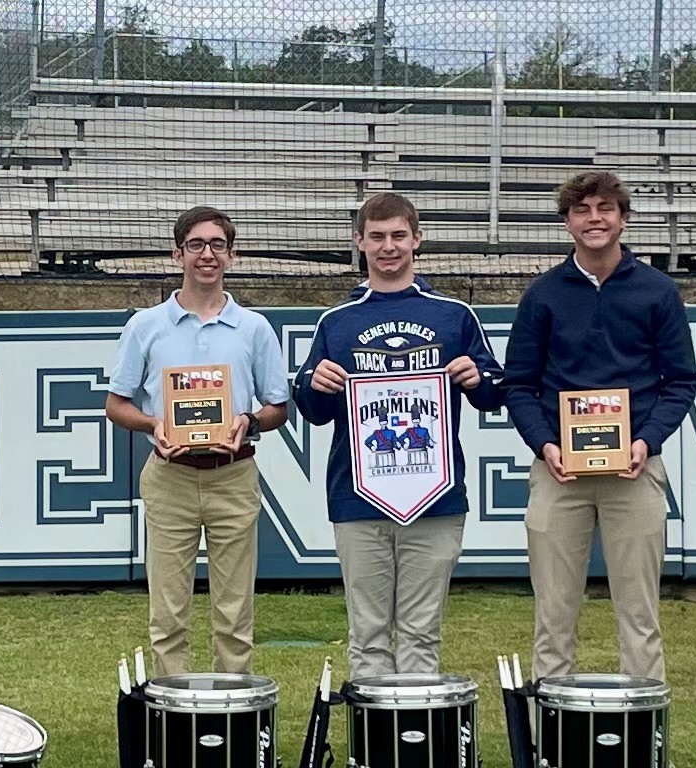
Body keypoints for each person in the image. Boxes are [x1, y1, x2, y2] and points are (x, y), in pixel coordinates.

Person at [503, 168, 696, 687]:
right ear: (567, 222)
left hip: (634, 471)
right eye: (582, 210)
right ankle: (551, 753)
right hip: (558, 473)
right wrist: (545, 444)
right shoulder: (542, 295)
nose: (595, 219)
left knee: (640, 616)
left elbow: (680, 380)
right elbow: (519, 385)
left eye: (605, 209)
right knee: (553, 617)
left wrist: (645, 441)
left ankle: (647, 757)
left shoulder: (657, 291)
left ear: (623, 218)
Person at [299, 190, 505, 680]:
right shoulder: (337, 321)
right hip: (357, 496)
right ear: (359, 242)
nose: (388, 246)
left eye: (398, 236)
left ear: (417, 239)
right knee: (367, 633)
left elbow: (496, 393)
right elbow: (312, 409)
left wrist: (478, 378)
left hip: (434, 496)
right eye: (377, 237)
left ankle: (413, 746)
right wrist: (315, 384)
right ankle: (376, 751)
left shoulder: (453, 315)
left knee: (420, 631)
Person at [105, 205, 293, 675]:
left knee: (234, 615)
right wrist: (154, 425)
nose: (206, 254)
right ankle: (174, 719)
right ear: (178, 254)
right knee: (168, 615)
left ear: (232, 256)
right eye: (196, 245)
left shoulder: (254, 328)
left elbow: (278, 408)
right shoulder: (145, 325)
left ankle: (235, 717)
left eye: (217, 245)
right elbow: (116, 405)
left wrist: (246, 422)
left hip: (234, 475)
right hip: (170, 477)